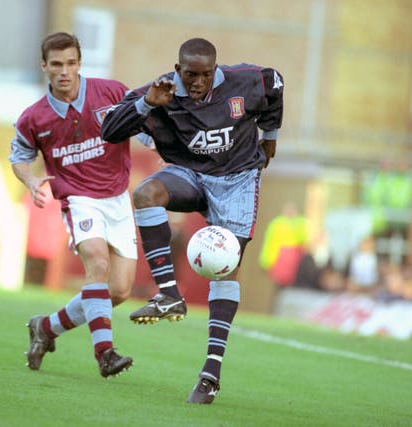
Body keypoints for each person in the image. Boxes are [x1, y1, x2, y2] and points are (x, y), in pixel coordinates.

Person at [101, 38, 284, 403]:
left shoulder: (245, 81)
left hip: (238, 180)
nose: (197, 82)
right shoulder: (160, 91)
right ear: (178, 68)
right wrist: (146, 103)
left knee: (224, 269)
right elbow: (109, 130)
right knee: (146, 194)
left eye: (204, 74)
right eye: (190, 74)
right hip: (190, 173)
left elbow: (275, 82)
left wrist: (270, 136)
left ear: (215, 70)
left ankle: (210, 375)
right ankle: (169, 295)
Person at [8, 32, 137, 378]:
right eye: (56, 65)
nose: (64, 71)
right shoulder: (34, 117)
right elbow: (19, 156)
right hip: (78, 199)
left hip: (118, 197)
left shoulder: (111, 92)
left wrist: (158, 142)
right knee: (97, 261)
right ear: (44, 67)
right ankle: (105, 354)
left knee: (119, 291)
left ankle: (46, 328)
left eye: (70, 63)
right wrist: (31, 180)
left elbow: (141, 122)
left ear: (79, 63)